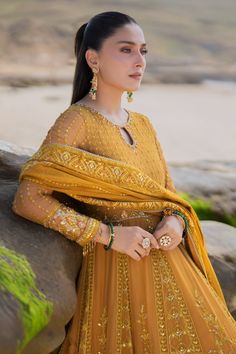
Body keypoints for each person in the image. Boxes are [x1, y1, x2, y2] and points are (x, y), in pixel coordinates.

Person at [12, 11, 236, 354]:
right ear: (93, 59)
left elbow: (170, 196)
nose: (140, 61)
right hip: (115, 271)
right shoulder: (76, 121)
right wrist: (108, 235)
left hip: (174, 268)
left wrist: (175, 223)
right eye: (126, 50)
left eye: (143, 51)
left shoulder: (144, 125)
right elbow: (28, 199)